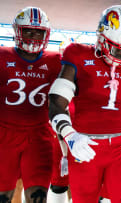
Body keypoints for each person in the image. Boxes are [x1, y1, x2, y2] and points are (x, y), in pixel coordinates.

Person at [48, 5, 121, 203]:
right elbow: (56, 101)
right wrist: (69, 135)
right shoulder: (78, 54)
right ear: (101, 36)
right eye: (117, 48)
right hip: (86, 143)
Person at [0, 6, 61, 203]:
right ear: (18, 31)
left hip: (39, 135)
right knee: (3, 197)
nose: (33, 35)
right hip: (4, 133)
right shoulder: (2, 55)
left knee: (37, 198)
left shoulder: (56, 60)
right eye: (28, 30)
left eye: (39, 31)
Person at [47, 39, 77, 203]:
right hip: (58, 142)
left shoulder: (82, 82)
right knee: (58, 184)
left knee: (78, 183)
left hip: (78, 141)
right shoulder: (55, 84)